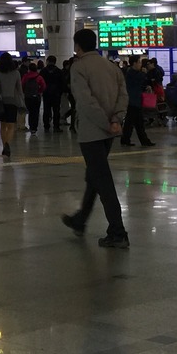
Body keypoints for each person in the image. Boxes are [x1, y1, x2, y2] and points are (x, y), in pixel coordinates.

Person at [60, 28, 130, 250]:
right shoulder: (111, 67)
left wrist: (105, 123)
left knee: (102, 180)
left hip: (92, 133)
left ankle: (118, 232)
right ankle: (80, 219)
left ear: (77, 46)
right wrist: (116, 120)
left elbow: (86, 102)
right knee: (94, 176)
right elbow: (123, 96)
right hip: (109, 131)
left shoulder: (79, 67)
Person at [0, 52, 25, 158]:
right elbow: (19, 89)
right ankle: (8, 144)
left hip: (1, 102)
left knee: (3, 126)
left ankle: (4, 145)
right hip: (12, 102)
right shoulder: (16, 73)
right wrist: (22, 101)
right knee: (11, 126)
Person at [119, 56, 155, 147]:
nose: (140, 64)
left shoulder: (132, 73)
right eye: (139, 62)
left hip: (134, 100)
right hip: (133, 101)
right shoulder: (132, 73)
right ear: (134, 63)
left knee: (132, 122)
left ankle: (126, 139)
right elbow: (141, 79)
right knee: (136, 123)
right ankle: (143, 141)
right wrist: (144, 73)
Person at [40, 55, 66, 131]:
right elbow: (63, 83)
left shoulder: (43, 71)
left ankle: (46, 126)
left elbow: (40, 82)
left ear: (47, 61)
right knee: (56, 110)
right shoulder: (59, 71)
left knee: (46, 110)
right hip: (56, 94)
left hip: (46, 93)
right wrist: (60, 92)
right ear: (55, 62)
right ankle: (56, 126)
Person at [21, 61, 45, 133]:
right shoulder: (39, 77)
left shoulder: (25, 76)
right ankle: (35, 127)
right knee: (36, 112)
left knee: (30, 112)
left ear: (29, 69)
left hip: (28, 97)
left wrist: (25, 92)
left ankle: (31, 126)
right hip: (36, 97)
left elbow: (22, 85)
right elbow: (43, 86)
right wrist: (39, 91)